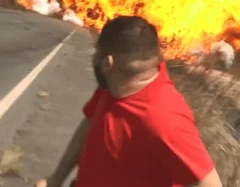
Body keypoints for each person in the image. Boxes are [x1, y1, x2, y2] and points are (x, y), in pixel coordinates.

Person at [35, 16, 222, 187]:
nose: (94, 58)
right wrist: (56, 179)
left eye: (96, 53)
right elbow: (91, 122)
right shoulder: (113, 86)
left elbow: (210, 183)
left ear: (107, 63)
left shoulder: (164, 119)